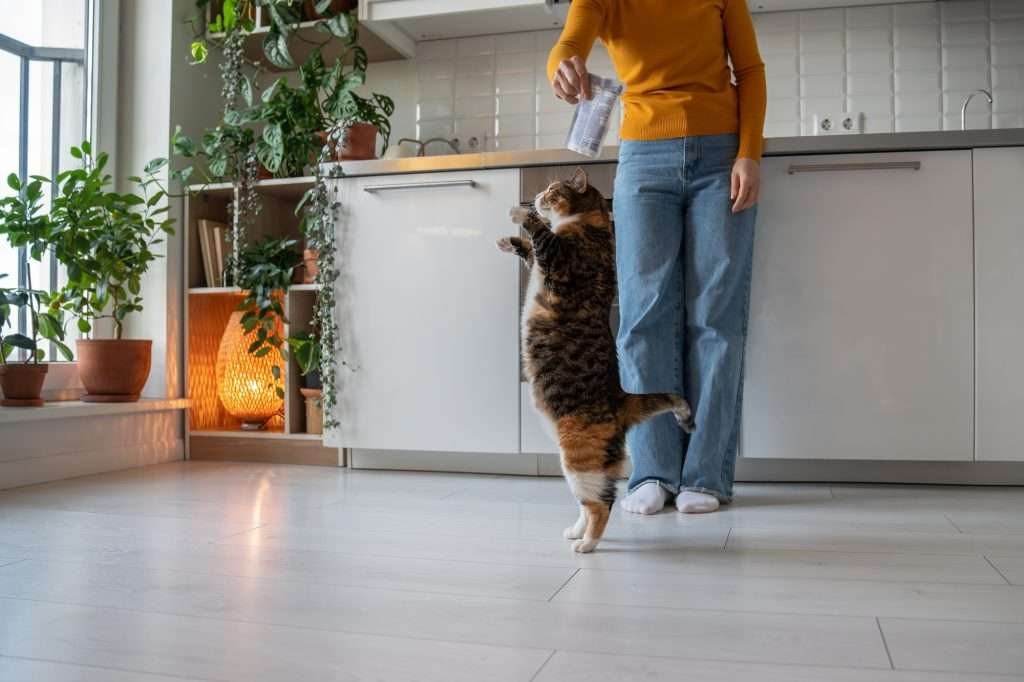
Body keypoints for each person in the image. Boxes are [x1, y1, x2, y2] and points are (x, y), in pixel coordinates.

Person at [547, 0, 766, 515]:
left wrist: (749, 152)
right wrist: (561, 66)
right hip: (644, 157)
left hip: (721, 155)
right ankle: (653, 470)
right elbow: (569, 44)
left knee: (716, 317)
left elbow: (750, 70)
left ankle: (707, 475)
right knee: (643, 317)